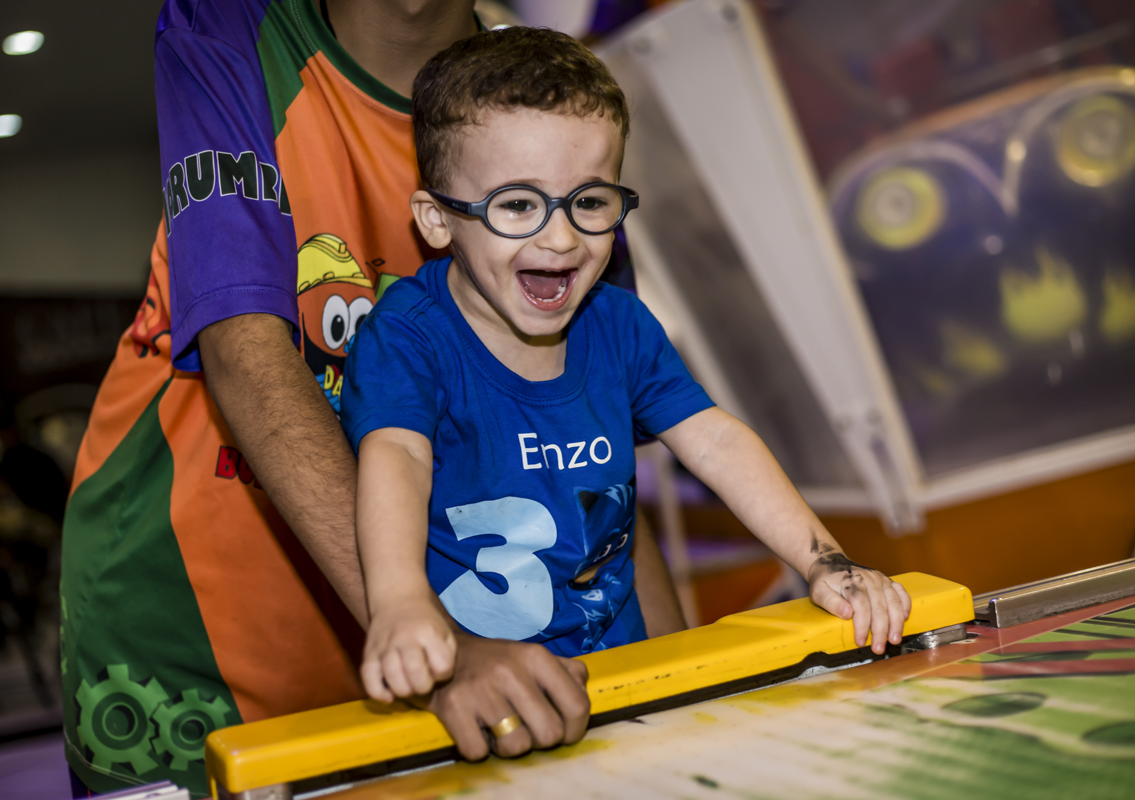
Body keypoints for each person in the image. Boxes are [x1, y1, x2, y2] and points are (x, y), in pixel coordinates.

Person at [60, 1, 685, 794]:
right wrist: (440, 642)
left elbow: (599, 448)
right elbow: (242, 346)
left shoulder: (548, 92)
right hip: (198, 630)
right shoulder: (229, 26)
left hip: (458, 637)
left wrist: (680, 688)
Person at [339, 28, 913, 711]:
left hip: (621, 687)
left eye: (589, 202)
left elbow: (718, 440)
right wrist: (401, 604)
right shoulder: (408, 337)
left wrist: (825, 562)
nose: (560, 237)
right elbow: (397, 455)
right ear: (437, 221)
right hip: (489, 701)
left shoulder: (620, 325)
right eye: (517, 204)